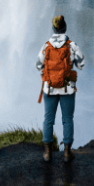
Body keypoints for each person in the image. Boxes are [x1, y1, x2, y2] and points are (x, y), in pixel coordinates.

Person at [36, 15, 85, 163]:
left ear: (53, 28)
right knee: (67, 119)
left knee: (48, 119)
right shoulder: (72, 45)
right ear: (65, 28)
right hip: (67, 89)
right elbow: (81, 65)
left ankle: (47, 153)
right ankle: (67, 153)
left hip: (49, 88)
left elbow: (38, 65)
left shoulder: (45, 46)